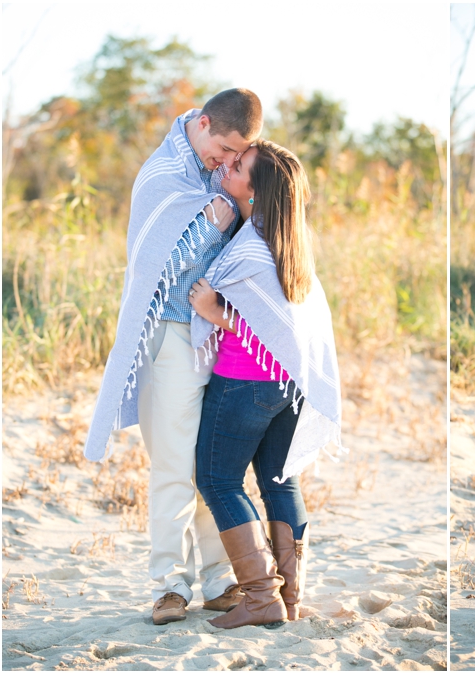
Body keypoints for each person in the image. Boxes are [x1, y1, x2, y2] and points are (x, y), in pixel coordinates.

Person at [84, 89, 264, 625]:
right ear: (203, 123)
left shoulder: (221, 169)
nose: (229, 162)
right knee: (172, 464)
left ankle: (219, 577)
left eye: (238, 156)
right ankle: (170, 584)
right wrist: (214, 218)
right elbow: (157, 264)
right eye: (225, 150)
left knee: (213, 462)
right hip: (170, 334)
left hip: (219, 339)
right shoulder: (162, 174)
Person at [188, 140, 343, 629]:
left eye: (239, 167)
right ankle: (290, 598)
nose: (228, 168)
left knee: (217, 480)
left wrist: (216, 314)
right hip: (287, 385)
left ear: (256, 192)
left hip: (246, 381)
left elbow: (261, 321)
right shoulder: (290, 241)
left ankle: (260, 597)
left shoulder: (253, 247)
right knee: (280, 481)